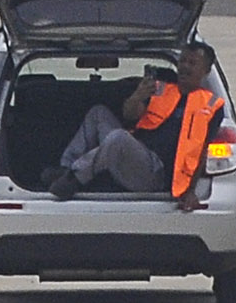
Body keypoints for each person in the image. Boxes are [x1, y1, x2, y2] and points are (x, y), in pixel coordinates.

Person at [50, 46, 225, 209]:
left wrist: (191, 191)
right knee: (99, 114)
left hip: (156, 174)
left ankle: (75, 177)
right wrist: (138, 95)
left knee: (119, 138)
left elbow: (203, 152)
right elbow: (130, 115)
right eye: (183, 61)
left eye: (192, 63)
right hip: (134, 154)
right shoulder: (161, 90)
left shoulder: (211, 105)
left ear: (206, 71)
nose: (185, 67)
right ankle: (66, 169)